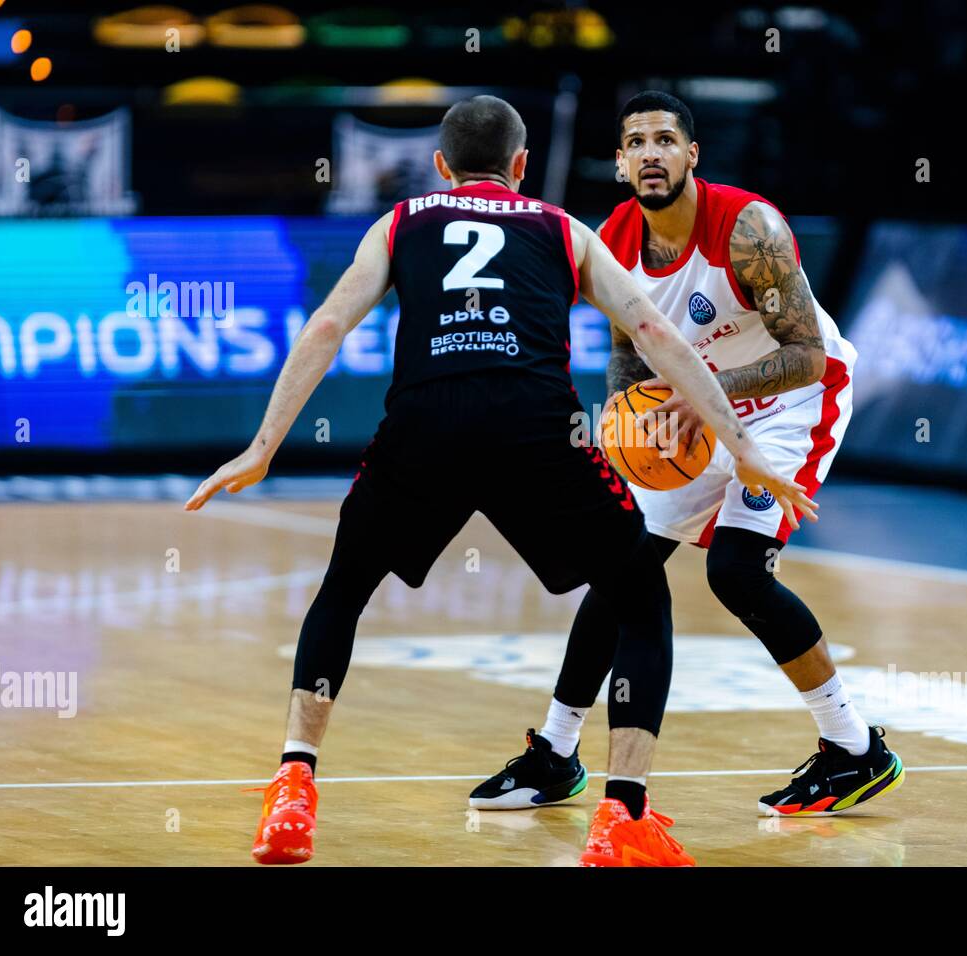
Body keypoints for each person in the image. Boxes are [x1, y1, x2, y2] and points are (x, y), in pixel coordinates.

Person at [184, 95, 817, 867]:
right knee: (640, 600)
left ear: (441, 166)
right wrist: (740, 442)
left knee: (343, 589)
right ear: (521, 168)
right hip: (534, 429)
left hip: (424, 426)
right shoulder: (563, 228)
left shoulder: (402, 221)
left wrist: (262, 446)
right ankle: (622, 818)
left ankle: (293, 782)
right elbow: (654, 335)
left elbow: (325, 327)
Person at [470, 91, 903, 819]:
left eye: (665, 140)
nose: (650, 153)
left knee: (736, 571)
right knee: (621, 568)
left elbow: (804, 356)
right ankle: (555, 750)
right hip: (693, 412)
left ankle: (854, 749)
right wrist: (620, 420)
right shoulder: (612, 241)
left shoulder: (748, 228)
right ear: (618, 162)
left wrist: (702, 391)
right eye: (635, 142)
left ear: (691, 155)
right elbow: (623, 354)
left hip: (792, 403)